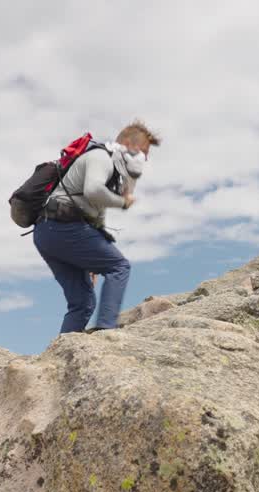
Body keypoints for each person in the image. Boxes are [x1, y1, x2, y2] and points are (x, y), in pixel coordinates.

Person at [34, 121, 160, 333]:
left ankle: (60, 355)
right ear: (128, 143)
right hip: (62, 226)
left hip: (49, 232)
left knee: (82, 303)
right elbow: (93, 191)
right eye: (143, 152)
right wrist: (122, 202)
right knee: (119, 266)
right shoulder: (101, 157)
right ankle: (106, 330)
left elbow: (95, 211)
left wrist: (91, 263)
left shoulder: (112, 169)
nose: (144, 159)